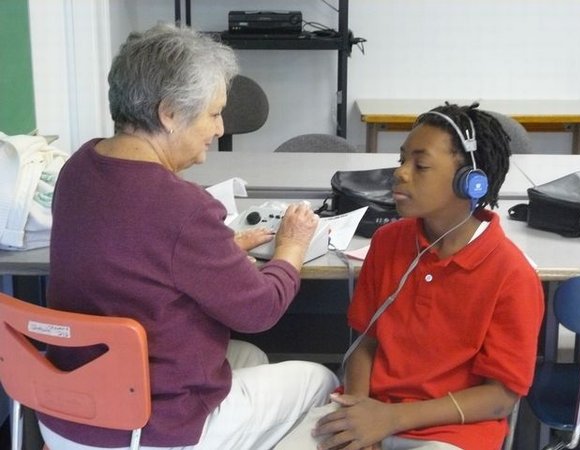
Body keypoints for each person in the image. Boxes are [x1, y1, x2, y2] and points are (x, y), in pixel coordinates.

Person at [37, 23, 338, 450]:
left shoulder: (79, 168)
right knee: (320, 380)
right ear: (169, 114)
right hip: (146, 429)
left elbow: (130, 256)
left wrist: (218, 251)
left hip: (66, 409)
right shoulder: (183, 207)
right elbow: (260, 310)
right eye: (213, 113)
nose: (218, 129)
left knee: (247, 357)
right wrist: (291, 246)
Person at [276, 104, 544, 450]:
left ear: (471, 182)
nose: (400, 173)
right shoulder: (389, 242)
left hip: (448, 431)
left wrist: (392, 420)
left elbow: (500, 398)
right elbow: (364, 344)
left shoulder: (512, 274)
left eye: (420, 165)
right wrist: (358, 416)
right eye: (402, 160)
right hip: (369, 410)